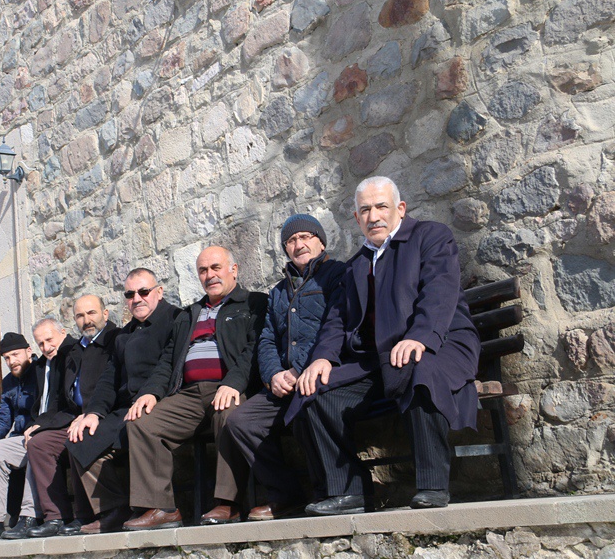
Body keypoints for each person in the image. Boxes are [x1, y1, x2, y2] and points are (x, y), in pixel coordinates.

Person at [291, 176, 481, 515]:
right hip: (381, 360)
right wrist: (322, 359)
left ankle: (433, 485)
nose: (374, 215)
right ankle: (350, 492)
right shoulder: (356, 266)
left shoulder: (431, 237)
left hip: (441, 343)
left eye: (381, 206)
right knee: (314, 392)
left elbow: (439, 292)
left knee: (420, 369)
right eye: (365, 209)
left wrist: (419, 336)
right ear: (356, 218)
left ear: (400, 209)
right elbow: (336, 319)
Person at [123, 246, 267, 530]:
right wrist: (150, 393)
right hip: (188, 394)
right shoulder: (189, 314)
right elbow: (167, 360)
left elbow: (255, 349)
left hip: (228, 388)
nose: (210, 275)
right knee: (141, 422)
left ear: (233, 270)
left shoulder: (253, 303)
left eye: (216, 268)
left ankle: (229, 503)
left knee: (229, 414)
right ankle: (162, 508)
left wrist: (233, 383)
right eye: (203, 270)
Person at [223, 214, 346, 521]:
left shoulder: (337, 275)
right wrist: (273, 374)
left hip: (320, 372)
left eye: (305, 237)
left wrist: (298, 370)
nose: (298, 244)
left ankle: (330, 491)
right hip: (283, 380)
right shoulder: (279, 291)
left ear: (320, 240)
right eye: (291, 240)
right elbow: (266, 337)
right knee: (240, 421)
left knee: (307, 404)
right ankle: (285, 494)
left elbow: (334, 326)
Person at [63, 268, 180, 534]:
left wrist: (152, 393)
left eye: (143, 291)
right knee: (79, 437)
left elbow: (170, 364)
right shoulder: (125, 335)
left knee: (140, 424)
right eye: (130, 294)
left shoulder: (175, 319)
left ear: (158, 293)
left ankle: (157, 508)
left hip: (160, 401)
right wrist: (93, 412)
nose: (137, 298)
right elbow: (109, 379)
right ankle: (113, 509)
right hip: (125, 408)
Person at [0, 321, 75, 541]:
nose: (12, 361)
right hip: (21, 437)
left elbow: (50, 404)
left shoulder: (41, 370)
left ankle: (30, 516)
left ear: (29, 351)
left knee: (35, 446)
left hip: (42, 432)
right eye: (7, 358)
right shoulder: (9, 382)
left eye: (15, 355)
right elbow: (4, 418)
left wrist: (38, 426)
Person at [23, 295, 119, 537]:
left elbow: (111, 386)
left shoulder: (115, 341)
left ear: (105, 314)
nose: (86, 320)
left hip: (104, 413)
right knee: (39, 444)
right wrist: (41, 425)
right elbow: (63, 399)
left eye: (91, 313)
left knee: (77, 437)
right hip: (75, 416)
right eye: (80, 316)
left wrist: (90, 413)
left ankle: (87, 514)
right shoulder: (76, 351)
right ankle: (55, 517)